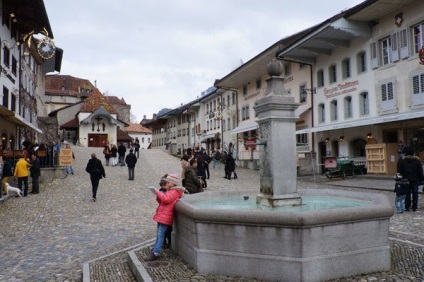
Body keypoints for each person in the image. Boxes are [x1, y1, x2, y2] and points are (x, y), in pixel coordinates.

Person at [143, 173, 184, 261]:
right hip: (162, 215)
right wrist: (158, 194)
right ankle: (155, 249)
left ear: (173, 183)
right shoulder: (170, 190)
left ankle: (156, 253)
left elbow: (166, 199)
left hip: (165, 217)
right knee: (159, 234)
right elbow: (162, 201)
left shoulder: (174, 191)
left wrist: (158, 192)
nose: (166, 184)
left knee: (160, 234)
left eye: (168, 182)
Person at [397, 146, 423, 212]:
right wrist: (421, 179)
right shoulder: (417, 161)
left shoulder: (402, 161)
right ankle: (414, 207)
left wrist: (400, 178)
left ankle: (407, 206)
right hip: (415, 180)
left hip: (405, 180)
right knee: (415, 193)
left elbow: (399, 170)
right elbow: (420, 171)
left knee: (407, 193)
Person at [158, 176, 172, 249]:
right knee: (164, 231)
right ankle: (165, 243)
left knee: (164, 231)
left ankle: (167, 243)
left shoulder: (170, 191)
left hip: (164, 215)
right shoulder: (163, 191)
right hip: (164, 215)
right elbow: (164, 200)